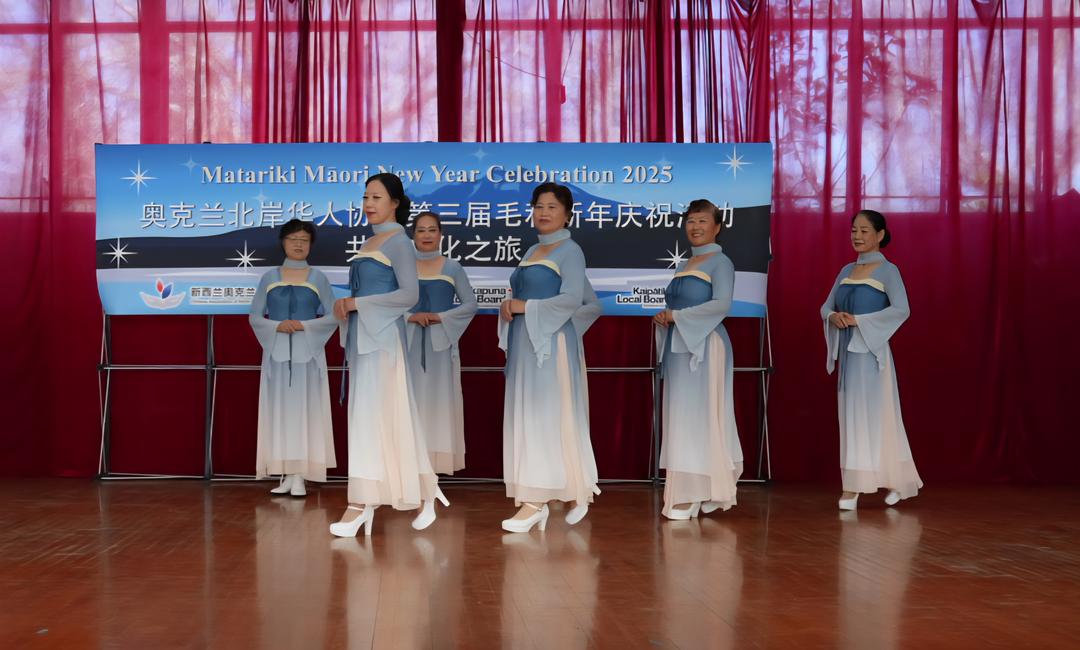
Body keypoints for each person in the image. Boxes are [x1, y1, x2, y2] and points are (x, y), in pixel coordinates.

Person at [329, 173, 445, 536]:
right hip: (365, 340)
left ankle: (361, 504)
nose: (368, 204)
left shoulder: (399, 242)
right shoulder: (371, 241)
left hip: (383, 342)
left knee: (379, 418)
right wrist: (348, 305)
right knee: (373, 420)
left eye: (376, 197)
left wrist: (357, 303)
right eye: (366, 197)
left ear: (395, 203)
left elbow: (409, 295)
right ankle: (418, 491)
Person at [497, 182, 601, 533]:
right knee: (529, 416)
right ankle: (555, 491)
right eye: (538, 206)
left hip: (549, 346)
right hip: (525, 344)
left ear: (567, 214)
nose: (543, 212)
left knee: (546, 417)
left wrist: (527, 308)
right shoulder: (532, 250)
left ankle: (535, 501)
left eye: (552, 207)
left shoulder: (570, 250)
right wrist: (510, 308)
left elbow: (572, 300)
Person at [821, 209, 923, 510]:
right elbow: (825, 307)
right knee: (852, 416)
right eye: (854, 230)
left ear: (880, 235)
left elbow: (901, 310)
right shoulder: (846, 270)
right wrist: (834, 317)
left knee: (877, 417)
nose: (857, 236)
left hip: (872, 354)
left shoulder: (889, 271)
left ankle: (879, 483)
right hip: (849, 356)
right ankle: (859, 483)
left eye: (864, 231)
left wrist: (859, 321)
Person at [653, 199, 743, 520]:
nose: (695, 227)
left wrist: (677, 316)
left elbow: (721, 305)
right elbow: (679, 307)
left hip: (706, 346)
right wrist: (666, 317)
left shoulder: (722, 263)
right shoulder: (686, 264)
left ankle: (695, 491)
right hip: (679, 346)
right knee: (682, 416)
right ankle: (700, 488)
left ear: (717, 227)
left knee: (701, 416)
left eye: (703, 221)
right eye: (691, 221)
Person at [249, 219, 337, 497]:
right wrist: (276, 325)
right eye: (293, 239)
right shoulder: (269, 277)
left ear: (311, 245)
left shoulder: (318, 277)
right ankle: (286, 473)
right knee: (279, 413)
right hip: (276, 356)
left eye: (304, 240)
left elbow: (334, 315)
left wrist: (304, 325)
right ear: (283, 242)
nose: (299, 244)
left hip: (307, 356)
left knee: (304, 412)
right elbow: (254, 316)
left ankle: (300, 474)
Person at [406, 211, 478, 475]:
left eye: (432, 230)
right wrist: (409, 317)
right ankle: (409, 468)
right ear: (413, 235)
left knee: (439, 404)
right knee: (408, 403)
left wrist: (440, 317)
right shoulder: (401, 268)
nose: (426, 235)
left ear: (440, 234)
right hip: (407, 347)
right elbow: (388, 305)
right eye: (421, 230)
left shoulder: (452, 267)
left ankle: (433, 469)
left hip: (441, 348)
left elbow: (470, 304)